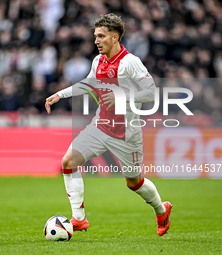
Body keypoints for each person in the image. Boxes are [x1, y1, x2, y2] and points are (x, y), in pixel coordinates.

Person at [45, 14, 172, 236]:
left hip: (127, 133)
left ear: (115, 38)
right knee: (68, 161)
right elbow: (88, 83)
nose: (96, 40)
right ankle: (79, 218)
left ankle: (162, 210)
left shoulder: (130, 62)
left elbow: (152, 92)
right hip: (100, 125)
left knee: (133, 183)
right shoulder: (98, 61)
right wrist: (60, 95)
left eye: (101, 36)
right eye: (95, 36)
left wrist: (123, 95)